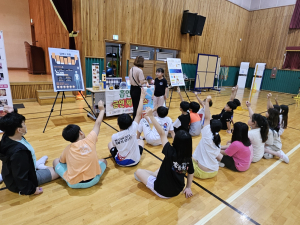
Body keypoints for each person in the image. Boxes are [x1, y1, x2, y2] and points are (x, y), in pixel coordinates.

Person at [134, 107, 194, 199]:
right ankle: (154, 175)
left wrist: (151, 115)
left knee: (138, 172)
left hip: (161, 191)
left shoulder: (170, 151)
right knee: (160, 169)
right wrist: (188, 187)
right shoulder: (188, 158)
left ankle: (152, 176)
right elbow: (191, 172)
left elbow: (162, 133)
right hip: (178, 189)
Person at [0, 106, 59, 195]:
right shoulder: (19, 153)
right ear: (19, 130)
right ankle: (38, 166)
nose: (25, 125)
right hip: (22, 182)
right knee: (59, 170)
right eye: (24, 124)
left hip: (10, 174)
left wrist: (13, 112)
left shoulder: (8, 135)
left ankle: (36, 164)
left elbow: (12, 123)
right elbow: (20, 177)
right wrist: (31, 190)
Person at [54, 101, 107, 189]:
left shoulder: (67, 149)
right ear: (80, 132)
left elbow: (62, 162)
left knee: (55, 161)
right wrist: (102, 110)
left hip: (74, 184)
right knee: (104, 161)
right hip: (94, 180)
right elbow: (97, 124)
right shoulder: (90, 139)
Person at [108, 88, 146, 166]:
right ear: (131, 123)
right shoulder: (133, 129)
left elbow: (115, 146)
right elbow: (138, 114)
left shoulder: (114, 136)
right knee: (141, 141)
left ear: (117, 123)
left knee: (110, 144)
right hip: (135, 161)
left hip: (120, 162)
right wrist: (142, 98)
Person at [192, 95, 222, 179]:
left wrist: (207, 101)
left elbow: (207, 117)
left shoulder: (206, 134)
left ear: (210, 127)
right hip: (214, 171)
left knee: (184, 161)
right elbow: (208, 118)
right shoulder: (217, 138)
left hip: (202, 173)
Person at [263, 94, 289, 163]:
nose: (266, 111)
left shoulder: (277, 118)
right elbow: (270, 108)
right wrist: (269, 99)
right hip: (274, 138)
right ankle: (276, 152)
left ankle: (277, 153)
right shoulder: (275, 118)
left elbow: (270, 108)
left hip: (274, 140)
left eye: (268, 112)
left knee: (263, 151)